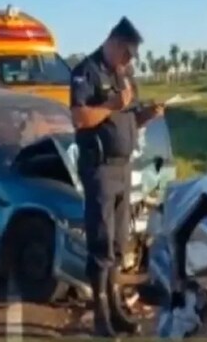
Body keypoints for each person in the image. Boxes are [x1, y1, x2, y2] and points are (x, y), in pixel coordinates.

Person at [70, 17, 163, 337]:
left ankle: (115, 306)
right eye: (126, 53)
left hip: (123, 168)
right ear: (112, 42)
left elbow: (128, 119)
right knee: (101, 244)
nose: (129, 60)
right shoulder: (87, 71)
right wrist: (111, 103)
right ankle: (100, 315)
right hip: (99, 169)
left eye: (132, 56)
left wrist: (145, 116)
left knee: (119, 243)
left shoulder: (124, 76)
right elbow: (81, 118)